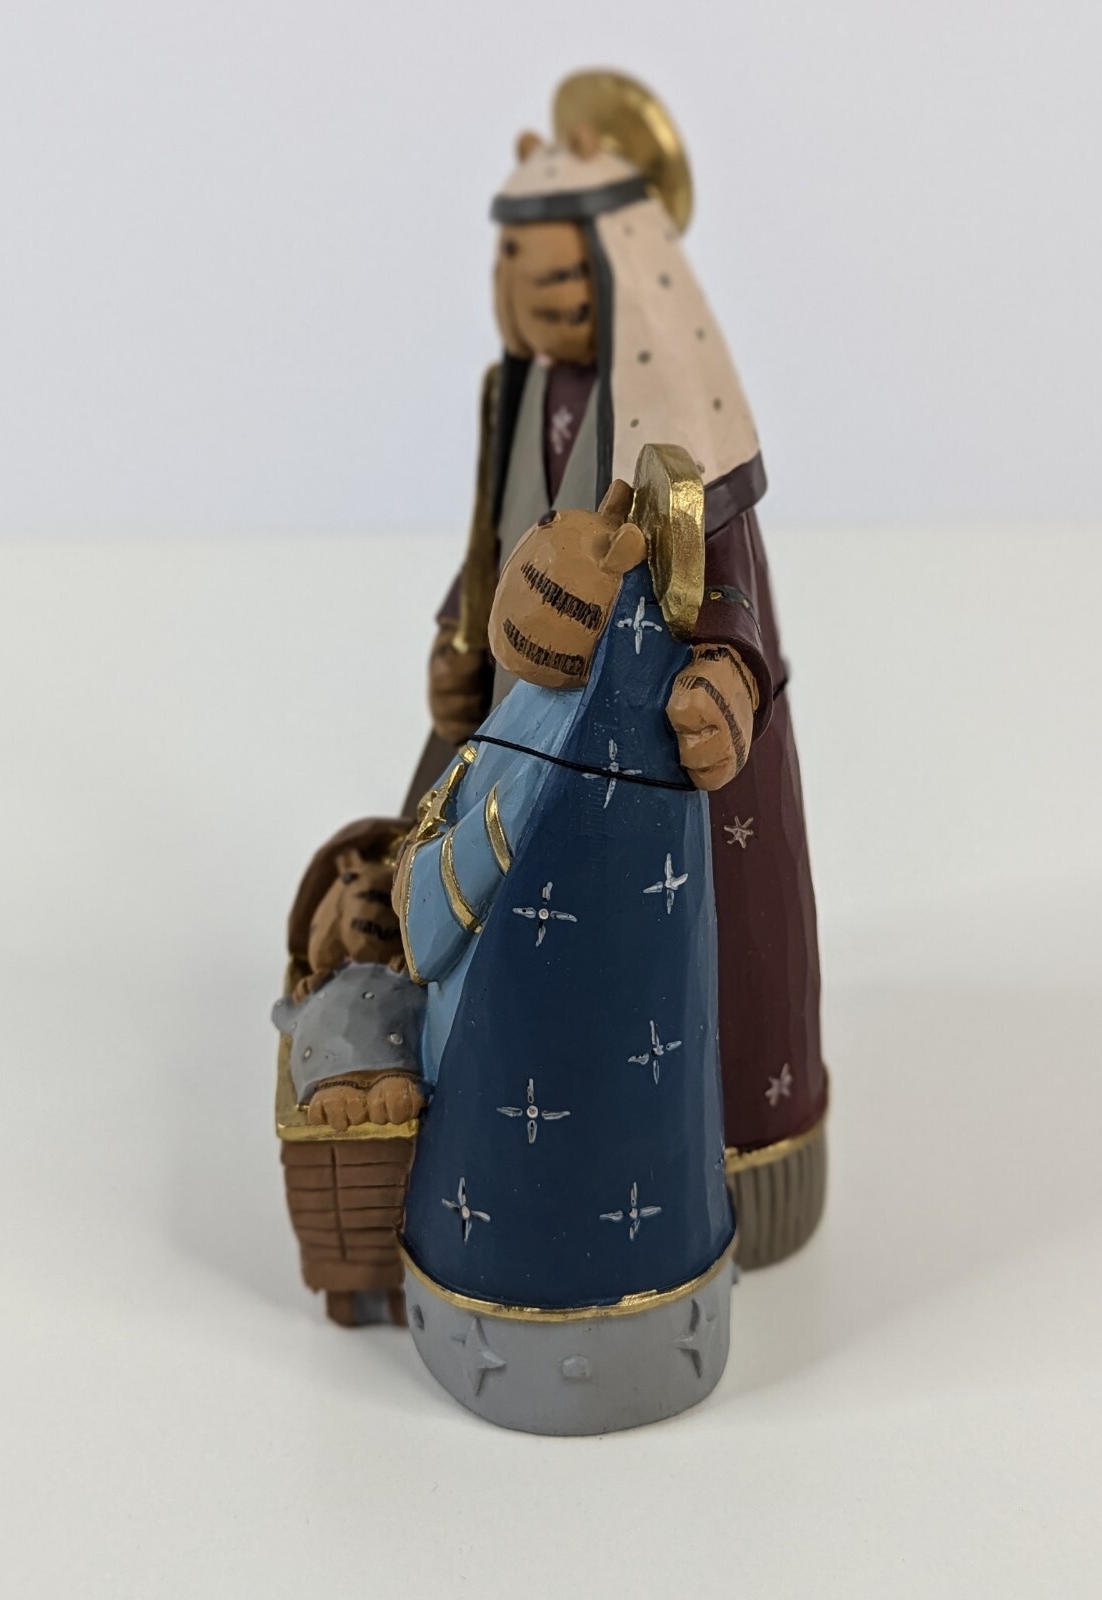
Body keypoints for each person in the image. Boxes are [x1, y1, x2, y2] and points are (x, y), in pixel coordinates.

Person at [405, 72, 827, 1267]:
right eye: (518, 262)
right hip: (515, 725)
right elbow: (492, 531)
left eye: (562, 267)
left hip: (651, 762)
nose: (538, 291)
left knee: (699, 968)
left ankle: (739, 1171)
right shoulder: (515, 392)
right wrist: (460, 631)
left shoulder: (681, 426)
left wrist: (725, 681)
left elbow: (729, 585)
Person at [395, 448, 734, 1434]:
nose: (526, 577)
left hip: (502, 1135)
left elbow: (427, 932)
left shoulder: (542, 752)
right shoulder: (534, 716)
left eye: (545, 576)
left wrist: (431, 862)